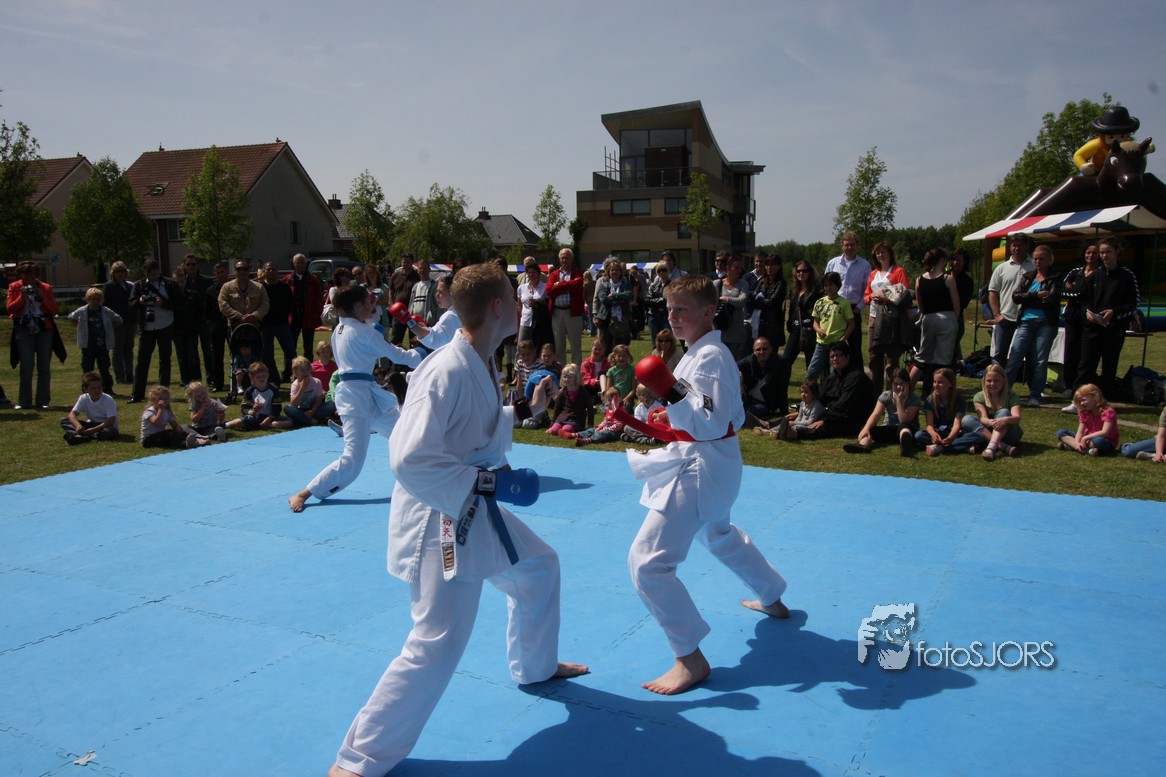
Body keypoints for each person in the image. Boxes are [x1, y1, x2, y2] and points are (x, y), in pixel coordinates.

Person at [325, 262, 587, 777]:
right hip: (439, 517)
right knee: (437, 639)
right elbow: (409, 459)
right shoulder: (445, 370)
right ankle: (359, 759)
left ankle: (535, 666)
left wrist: (523, 410)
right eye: (513, 295)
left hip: (469, 503)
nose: (521, 303)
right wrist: (494, 483)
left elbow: (472, 427)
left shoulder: (481, 360)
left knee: (538, 567)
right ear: (498, 307)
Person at [626, 273, 788, 695]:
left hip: (702, 468)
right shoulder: (698, 355)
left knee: (647, 563)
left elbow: (711, 421)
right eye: (669, 308)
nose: (672, 316)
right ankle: (771, 595)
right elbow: (716, 414)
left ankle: (689, 658)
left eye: (682, 309)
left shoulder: (711, 356)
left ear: (708, 311)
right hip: (715, 464)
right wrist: (671, 412)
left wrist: (671, 395)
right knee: (718, 534)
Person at [288, 284, 423, 513]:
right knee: (353, 459)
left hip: (367, 394)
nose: (373, 306)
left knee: (407, 432)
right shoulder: (364, 332)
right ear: (358, 305)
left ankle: (423, 481)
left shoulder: (340, 329)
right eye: (369, 302)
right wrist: (423, 354)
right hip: (355, 398)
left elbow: (368, 343)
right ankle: (304, 493)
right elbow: (398, 355)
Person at [1075, 237, 1140, 399]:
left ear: (1117, 252)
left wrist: (1114, 312)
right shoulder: (1094, 275)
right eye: (1102, 252)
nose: (1104, 256)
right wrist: (1087, 313)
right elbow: (1083, 300)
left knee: (1109, 366)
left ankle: (1103, 400)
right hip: (1092, 329)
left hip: (1114, 330)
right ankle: (1080, 399)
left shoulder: (1127, 276)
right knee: (1086, 365)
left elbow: (1133, 304)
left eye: (1108, 252)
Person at [1006, 244, 1062, 406]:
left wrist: (1028, 299)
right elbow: (1016, 297)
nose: (1038, 262)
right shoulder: (1028, 276)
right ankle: (1003, 392)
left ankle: (1035, 395)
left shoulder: (1055, 278)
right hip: (1025, 322)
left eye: (1041, 259)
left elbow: (1051, 300)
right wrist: (1036, 295)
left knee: (1040, 361)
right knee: (1015, 357)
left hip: (1046, 324)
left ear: (1050, 260)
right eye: (1035, 259)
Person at [7, 261, 60, 410]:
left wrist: (42, 298)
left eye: (32, 275)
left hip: (44, 329)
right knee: (26, 365)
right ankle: (24, 401)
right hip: (24, 329)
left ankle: (43, 401)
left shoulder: (46, 288)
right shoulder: (14, 287)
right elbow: (10, 309)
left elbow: (54, 309)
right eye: (25, 275)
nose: (29, 278)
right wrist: (21, 298)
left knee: (44, 366)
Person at [797, 342, 873, 440]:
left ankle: (794, 433)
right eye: (832, 356)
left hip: (853, 419)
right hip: (835, 415)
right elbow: (820, 399)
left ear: (847, 357)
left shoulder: (856, 378)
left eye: (838, 355)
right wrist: (802, 410)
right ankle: (779, 426)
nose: (835, 359)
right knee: (807, 418)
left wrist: (825, 420)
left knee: (820, 427)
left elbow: (843, 406)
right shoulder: (832, 377)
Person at [129, 259, 180, 404]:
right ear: (145, 273)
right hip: (147, 328)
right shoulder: (138, 285)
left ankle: (163, 394)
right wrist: (140, 301)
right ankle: (137, 394)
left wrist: (163, 303)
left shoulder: (169, 284)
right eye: (151, 275)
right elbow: (131, 304)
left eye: (156, 274)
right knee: (142, 361)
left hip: (165, 325)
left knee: (165, 360)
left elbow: (178, 303)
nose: (154, 277)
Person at [864, 241, 911, 396]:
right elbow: (866, 296)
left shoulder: (898, 271)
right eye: (878, 253)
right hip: (874, 318)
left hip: (892, 320)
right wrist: (871, 296)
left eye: (884, 252)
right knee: (874, 357)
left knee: (891, 359)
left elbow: (905, 293)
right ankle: (875, 395)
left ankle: (892, 394)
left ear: (890, 254)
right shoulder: (873, 273)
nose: (881, 255)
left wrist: (886, 297)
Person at [913, 248, 961, 397]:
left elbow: (920, 304)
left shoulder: (919, 279)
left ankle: (909, 387)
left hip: (928, 318)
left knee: (922, 358)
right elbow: (956, 305)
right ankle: (939, 393)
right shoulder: (948, 279)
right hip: (946, 318)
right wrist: (954, 320)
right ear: (942, 260)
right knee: (942, 359)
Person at [843, 368, 921, 455]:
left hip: (907, 431)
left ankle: (906, 448)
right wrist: (866, 428)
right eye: (895, 384)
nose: (898, 387)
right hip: (889, 429)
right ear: (891, 384)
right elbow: (875, 414)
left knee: (904, 427)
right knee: (868, 427)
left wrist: (899, 401)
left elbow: (905, 421)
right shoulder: (886, 396)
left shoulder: (914, 399)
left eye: (902, 383)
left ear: (908, 383)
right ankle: (863, 446)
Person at [987, 233, 1035, 366]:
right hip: (1005, 318)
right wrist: (997, 315)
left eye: (1020, 245)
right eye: (1014, 245)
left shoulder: (1034, 266)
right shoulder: (1001, 268)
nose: (1017, 248)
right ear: (1010, 247)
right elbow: (992, 292)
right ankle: (997, 379)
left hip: (1027, 318)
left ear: (1026, 246)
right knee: (999, 355)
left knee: (1027, 354)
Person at [825, 232, 871, 368]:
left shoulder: (865, 265)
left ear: (857, 246)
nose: (849, 247)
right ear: (842, 246)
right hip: (835, 310)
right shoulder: (833, 263)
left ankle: (857, 377)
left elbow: (867, 289)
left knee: (855, 349)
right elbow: (825, 286)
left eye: (852, 245)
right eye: (846, 245)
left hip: (853, 309)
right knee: (832, 348)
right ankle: (831, 378)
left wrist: (859, 307)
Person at [958, 364, 1023, 460]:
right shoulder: (979, 397)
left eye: (996, 381)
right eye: (989, 381)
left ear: (1003, 380)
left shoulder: (1012, 396)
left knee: (1004, 412)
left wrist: (1005, 420)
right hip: (989, 429)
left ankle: (991, 447)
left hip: (1010, 434)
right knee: (966, 419)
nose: (992, 384)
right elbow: (983, 418)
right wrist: (991, 422)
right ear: (984, 381)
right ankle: (1001, 446)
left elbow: (1017, 418)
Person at [1059, 243, 1099, 399]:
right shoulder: (1075, 272)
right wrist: (1073, 292)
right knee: (1070, 352)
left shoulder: (1101, 273)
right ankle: (1068, 386)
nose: (1091, 255)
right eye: (1088, 252)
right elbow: (1062, 291)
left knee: (1086, 355)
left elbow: (1088, 295)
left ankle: (1083, 387)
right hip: (1072, 318)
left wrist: (1073, 290)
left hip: (1090, 320)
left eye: (1094, 253)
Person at [67, 286, 121, 394]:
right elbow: (71, 317)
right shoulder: (82, 311)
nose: (95, 302)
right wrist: (79, 326)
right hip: (88, 344)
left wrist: (110, 327)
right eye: (93, 299)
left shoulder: (105, 311)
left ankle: (107, 388)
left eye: (98, 299)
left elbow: (119, 319)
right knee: (87, 368)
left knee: (104, 368)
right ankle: (86, 389)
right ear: (88, 299)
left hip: (102, 345)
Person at [807, 271, 854, 381]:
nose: (828, 288)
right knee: (812, 372)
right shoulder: (820, 302)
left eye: (831, 285)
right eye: (826, 285)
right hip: (821, 343)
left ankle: (835, 391)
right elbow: (815, 322)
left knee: (835, 372)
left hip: (836, 344)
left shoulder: (844, 303)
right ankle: (810, 390)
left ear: (837, 286)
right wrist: (818, 330)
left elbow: (851, 324)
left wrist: (843, 339)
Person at [545, 247, 586, 366]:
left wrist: (559, 285)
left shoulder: (577, 273)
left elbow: (577, 285)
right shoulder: (554, 274)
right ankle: (561, 372)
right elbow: (549, 290)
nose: (564, 260)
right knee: (559, 347)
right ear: (559, 259)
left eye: (566, 258)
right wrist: (567, 287)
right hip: (557, 313)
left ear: (571, 259)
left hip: (573, 313)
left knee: (575, 346)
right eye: (562, 258)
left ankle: (576, 373)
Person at [914, 367, 968, 456]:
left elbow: (957, 424)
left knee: (977, 436)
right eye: (934, 382)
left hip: (953, 432)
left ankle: (940, 447)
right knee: (918, 435)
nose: (936, 385)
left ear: (950, 383)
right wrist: (933, 434)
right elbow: (929, 425)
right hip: (938, 431)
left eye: (940, 382)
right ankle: (958, 446)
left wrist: (951, 437)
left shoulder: (959, 400)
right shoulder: (930, 400)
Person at [225, 362, 292, 431]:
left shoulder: (273, 389)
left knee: (289, 421)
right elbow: (244, 408)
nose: (262, 378)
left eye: (264, 375)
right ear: (252, 377)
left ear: (268, 375)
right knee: (241, 421)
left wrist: (269, 419)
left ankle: (266, 425)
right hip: (255, 416)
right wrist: (252, 411)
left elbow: (277, 408)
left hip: (270, 417)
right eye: (258, 376)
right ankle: (226, 424)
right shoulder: (249, 391)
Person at [1056, 383, 1118, 456]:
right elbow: (1080, 432)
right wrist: (1077, 443)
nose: (1082, 403)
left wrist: (1085, 438)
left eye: (1083, 400)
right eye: (1080, 401)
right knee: (1061, 432)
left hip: (1105, 440)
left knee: (1099, 441)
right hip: (1087, 439)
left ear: (1095, 397)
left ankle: (1073, 446)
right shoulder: (1084, 412)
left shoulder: (1108, 411)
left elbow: (1105, 432)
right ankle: (1081, 448)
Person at [286, 253, 324, 367]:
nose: (301, 265)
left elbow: (319, 299)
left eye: (303, 262)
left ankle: (309, 370)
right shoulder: (288, 279)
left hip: (309, 318)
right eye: (298, 262)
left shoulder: (313, 279)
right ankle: (289, 371)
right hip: (293, 318)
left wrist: (316, 314)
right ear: (294, 264)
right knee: (290, 347)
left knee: (308, 347)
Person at [260, 260, 296, 383]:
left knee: (291, 352)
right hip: (265, 325)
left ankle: (289, 375)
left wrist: (284, 315)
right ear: (264, 271)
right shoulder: (260, 288)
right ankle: (274, 379)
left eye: (273, 269)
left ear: (277, 271)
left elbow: (290, 304)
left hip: (282, 324)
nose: (271, 271)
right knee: (267, 355)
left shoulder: (284, 287)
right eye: (268, 269)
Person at [140, 384, 209, 449]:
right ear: (153, 399)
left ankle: (197, 440)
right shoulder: (149, 411)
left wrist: (179, 429)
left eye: (166, 399)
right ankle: (186, 444)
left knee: (178, 432)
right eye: (160, 399)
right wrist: (160, 409)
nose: (163, 401)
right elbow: (157, 422)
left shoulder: (167, 411)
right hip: (149, 439)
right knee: (169, 434)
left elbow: (174, 425)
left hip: (161, 435)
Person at [60, 371, 119, 444]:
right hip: (91, 424)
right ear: (86, 389)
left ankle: (81, 436)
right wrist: (78, 426)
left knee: (110, 432)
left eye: (99, 387)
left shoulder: (108, 399)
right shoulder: (83, 398)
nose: (97, 390)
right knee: (64, 420)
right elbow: (72, 414)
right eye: (93, 388)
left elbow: (111, 420)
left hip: (105, 426)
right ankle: (81, 435)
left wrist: (94, 430)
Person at [738, 336, 788, 422]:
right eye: (758, 349)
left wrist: (785, 413)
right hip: (748, 398)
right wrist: (741, 384)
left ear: (771, 349)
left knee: (758, 410)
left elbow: (782, 389)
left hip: (764, 403)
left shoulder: (780, 363)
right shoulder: (748, 362)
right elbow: (732, 368)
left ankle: (742, 414)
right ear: (754, 351)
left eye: (765, 349)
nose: (761, 352)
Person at [784, 260, 823, 369]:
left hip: (810, 329)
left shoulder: (817, 290)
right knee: (785, 360)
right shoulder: (794, 290)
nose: (801, 273)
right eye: (798, 271)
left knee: (810, 364)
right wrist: (790, 324)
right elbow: (792, 310)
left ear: (810, 272)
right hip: (796, 329)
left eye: (804, 271)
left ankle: (810, 381)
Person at [759, 378, 826, 441]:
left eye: (806, 392)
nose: (803, 394)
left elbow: (810, 422)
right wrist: (794, 423)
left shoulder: (816, 406)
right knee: (788, 423)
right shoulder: (802, 403)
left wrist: (794, 423)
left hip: (809, 427)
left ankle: (776, 432)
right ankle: (771, 431)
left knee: (796, 427)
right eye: (802, 392)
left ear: (814, 394)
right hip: (801, 423)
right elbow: (799, 417)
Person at [713, 254, 752, 362]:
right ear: (728, 268)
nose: (739, 270)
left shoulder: (743, 284)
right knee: (719, 360)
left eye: (740, 268)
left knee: (733, 361)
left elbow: (742, 301)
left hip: (736, 331)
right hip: (720, 329)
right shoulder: (717, 284)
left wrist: (726, 298)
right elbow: (712, 303)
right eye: (736, 268)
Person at [103, 261, 136, 387]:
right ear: (113, 273)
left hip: (130, 321)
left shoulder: (130, 286)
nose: (120, 274)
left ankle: (129, 375)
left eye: (122, 271)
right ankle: (120, 376)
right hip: (117, 323)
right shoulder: (109, 286)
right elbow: (105, 305)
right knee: (118, 350)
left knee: (129, 349)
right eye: (117, 271)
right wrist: (111, 320)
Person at [171, 271, 204, 387]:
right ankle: (185, 379)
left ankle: (196, 378)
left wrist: (197, 325)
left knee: (192, 355)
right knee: (181, 356)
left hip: (191, 330)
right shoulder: (171, 297)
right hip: (177, 331)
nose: (180, 284)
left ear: (186, 281)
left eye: (182, 282)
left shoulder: (193, 295)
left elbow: (200, 312)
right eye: (177, 282)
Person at [594, 256, 634, 353]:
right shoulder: (602, 283)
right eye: (612, 270)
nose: (614, 272)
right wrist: (620, 299)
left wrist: (615, 295)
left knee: (621, 347)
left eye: (617, 270)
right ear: (608, 271)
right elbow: (603, 299)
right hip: (606, 317)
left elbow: (629, 294)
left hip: (622, 318)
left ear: (620, 271)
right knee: (606, 346)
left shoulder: (625, 282)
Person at [284, 355, 335, 427]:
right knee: (287, 408)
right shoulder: (295, 385)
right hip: (300, 410)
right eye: (302, 370)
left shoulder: (317, 382)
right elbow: (294, 403)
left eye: (307, 370)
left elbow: (318, 400)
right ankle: (312, 421)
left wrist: (312, 411)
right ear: (296, 372)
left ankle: (303, 420)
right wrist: (302, 388)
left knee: (332, 404)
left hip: (315, 410)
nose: (305, 373)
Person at [203, 261, 231, 391]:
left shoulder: (233, 287)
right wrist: (211, 325)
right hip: (216, 325)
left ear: (227, 272)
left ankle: (237, 383)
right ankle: (218, 384)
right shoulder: (210, 291)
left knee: (235, 354)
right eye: (218, 273)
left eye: (222, 272)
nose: (220, 275)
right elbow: (207, 311)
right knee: (217, 356)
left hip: (231, 324)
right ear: (214, 274)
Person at [752, 253, 786, 351]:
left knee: (771, 352)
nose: (769, 268)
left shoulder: (781, 283)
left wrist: (760, 300)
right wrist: (761, 301)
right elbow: (754, 299)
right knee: (758, 350)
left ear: (778, 266)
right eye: (767, 265)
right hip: (760, 322)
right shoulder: (762, 281)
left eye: (772, 265)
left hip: (773, 324)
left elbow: (772, 302)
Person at [546, 363, 591, 438]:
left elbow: (590, 409)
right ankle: (559, 429)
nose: (567, 379)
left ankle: (564, 430)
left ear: (576, 377)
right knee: (553, 430)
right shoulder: (562, 392)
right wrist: (552, 424)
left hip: (576, 419)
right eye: (565, 377)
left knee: (566, 429)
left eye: (570, 377)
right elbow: (557, 408)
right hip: (562, 418)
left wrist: (590, 424)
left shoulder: (583, 392)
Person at [517, 257, 551, 351]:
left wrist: (537, 305)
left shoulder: (545, 287)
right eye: (529, 273)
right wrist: (522, 315)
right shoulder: (521, 288)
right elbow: (519, 305)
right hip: (525, 321)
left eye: (534, 273)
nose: (531, 275)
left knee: (537, 347)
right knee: (521, 347)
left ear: (538, 274)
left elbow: (548, 305)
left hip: (540, 322)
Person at [645, 261, 672, 342]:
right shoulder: (653, 286)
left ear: (668, 270)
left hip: (667, 316)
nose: (661, 272)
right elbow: (647, 300)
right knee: (655, 342)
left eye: (664, 270)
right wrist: (661, 300)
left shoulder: (673, 286)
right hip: (653, 316)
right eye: (659, 270)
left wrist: (656, 301)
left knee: (667, 340)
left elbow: (672, 300)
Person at [408, 259, 441, 326]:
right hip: (415, 323)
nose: (422, 270)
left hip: (429, 323)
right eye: (420, 268)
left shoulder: (435, 286)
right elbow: (411, 304)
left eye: (425, 268)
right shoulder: (415, 286)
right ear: (417, 271)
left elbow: (439, 305)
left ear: (429, 270)